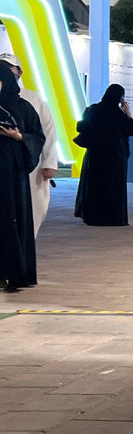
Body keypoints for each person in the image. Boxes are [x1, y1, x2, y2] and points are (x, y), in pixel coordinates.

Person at [0, 50, 59, 235]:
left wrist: (50, 162)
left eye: (10, 68)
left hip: (31, 165)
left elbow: (46, 132)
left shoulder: (32, 100)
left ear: (19, 71)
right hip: (6, 168)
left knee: (32, 210)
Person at [0, 64, 44, 292]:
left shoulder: (24, 107)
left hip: (10, 178)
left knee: (11, 221)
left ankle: (12, 274)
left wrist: (18, 136)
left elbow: (38, 137)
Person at [73, 83, 133, 226]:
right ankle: (113, 217)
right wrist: (128, 114)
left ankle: (93, 216)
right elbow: (132, 129)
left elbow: (81, 127)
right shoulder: (119, 115)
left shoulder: (93, 110)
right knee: (113, 187)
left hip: (96, 155)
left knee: (95, 186)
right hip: (116, 157)